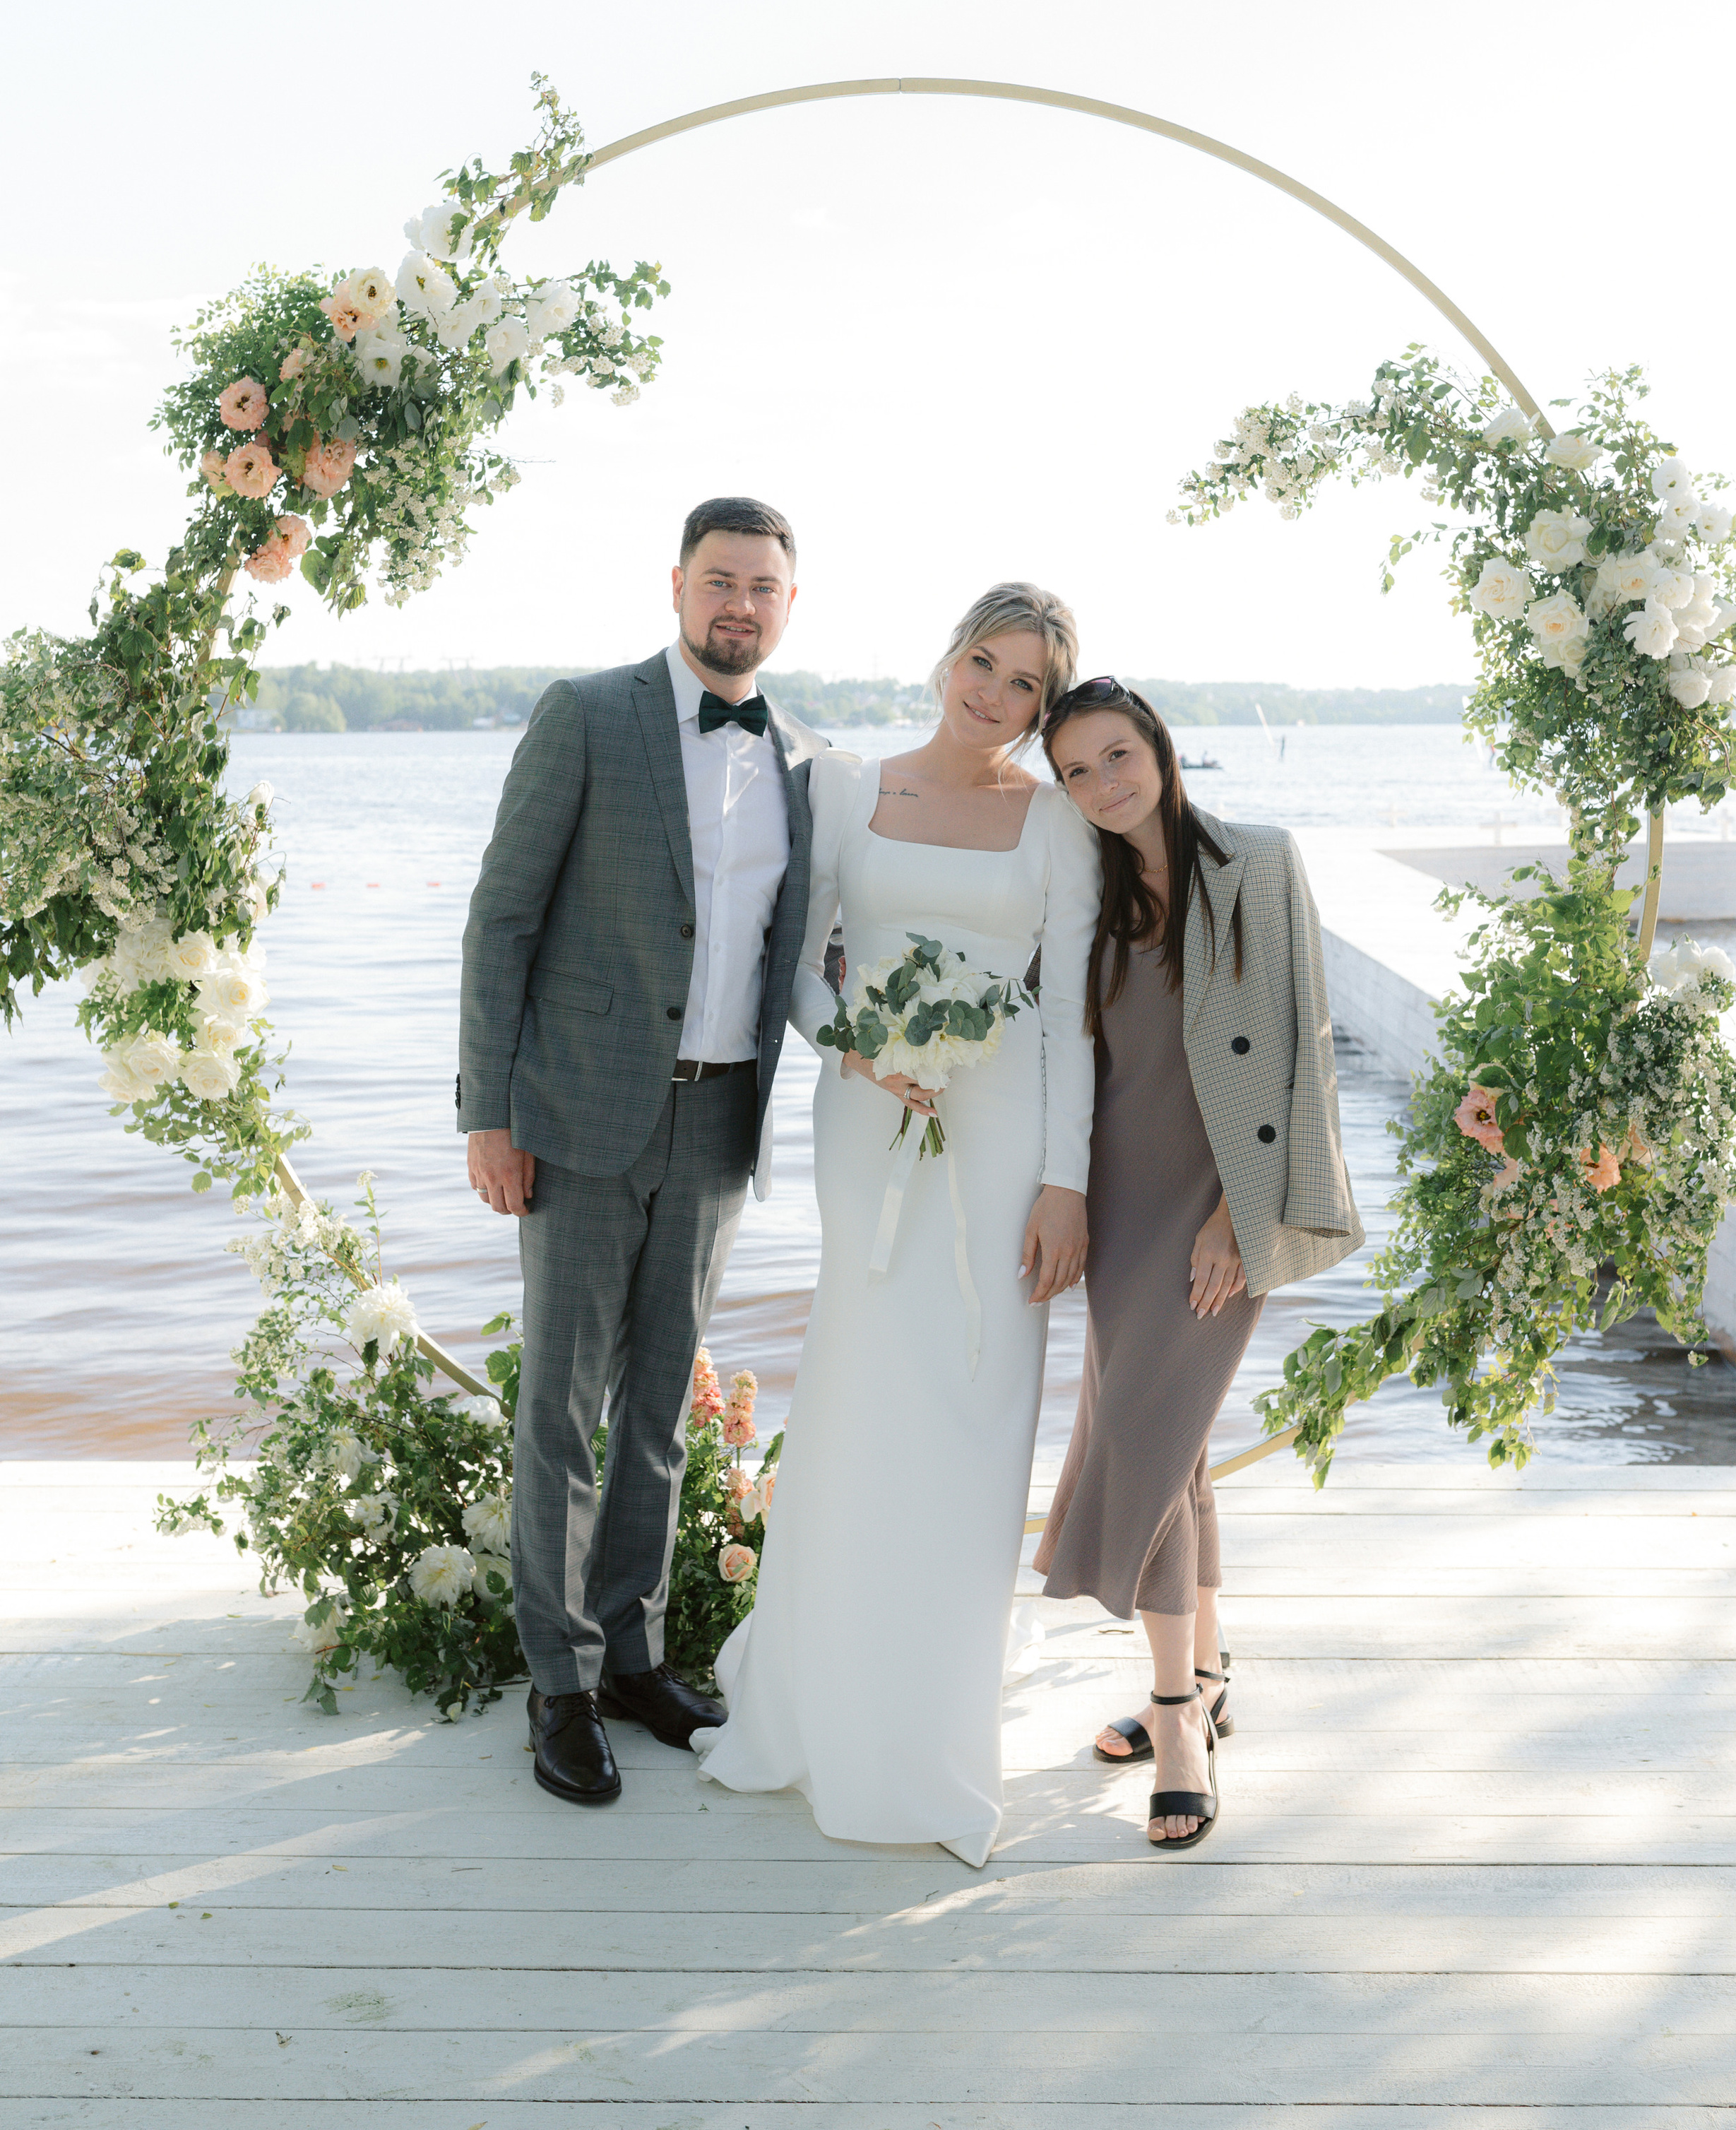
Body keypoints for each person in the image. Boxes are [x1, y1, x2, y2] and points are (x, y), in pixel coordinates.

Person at [694, 584, 1101, 1867]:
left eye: (1026, 685)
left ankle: (936, 1712)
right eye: (985, 662)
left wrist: (1068, 1185)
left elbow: (1076, 1016)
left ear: (1043, 710)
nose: (994, 694)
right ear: (949, 657)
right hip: (870, 1123)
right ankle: (829, 1692)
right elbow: (799, 967)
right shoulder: (846, 790)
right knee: (866, 1391)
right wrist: (865, 1051)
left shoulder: (1056, 824)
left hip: (1006, 1136)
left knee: (978, 1399)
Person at [458, 497, 826, 1805]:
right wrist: (486, 1114)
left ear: (790, 606)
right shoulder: (588, 715)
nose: (740, 605)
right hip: (577, 1113)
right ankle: (556, 1684)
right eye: (720, 580)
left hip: (722, 1119)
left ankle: (634, 1652)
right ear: (677, 587)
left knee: (661, 1409)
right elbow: (501, 921)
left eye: (764, 588)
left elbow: (808, 952)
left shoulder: (802, 759)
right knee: (559, 1407)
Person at [1035, 678, 1363, 1852]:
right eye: (1074, 771)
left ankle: (1175, 1716)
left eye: (1116, 757)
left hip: (1217, 1202)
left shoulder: (1259, 864)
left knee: (1144, 1435)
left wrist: (1240, 1213)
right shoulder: (1083, 882)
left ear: (1160, 749)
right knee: (1173, 1445)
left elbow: (1300, 1043)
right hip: (1117, 1205)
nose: (1101, 785)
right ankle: (1208, 1674)